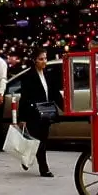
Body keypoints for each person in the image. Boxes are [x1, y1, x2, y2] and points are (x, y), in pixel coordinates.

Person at [17, 47, 60, 177]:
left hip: (46, 113)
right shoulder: (28, 76)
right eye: (41, 59)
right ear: (34, 60)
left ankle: (27, 158)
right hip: (33, 113)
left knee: (42, 141)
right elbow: (24, 98)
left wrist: (65, 107)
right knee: (38, 141)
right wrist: (22, 118)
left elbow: (54, 93)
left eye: (45, 58)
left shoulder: (48, 74)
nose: (44, 61)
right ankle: (44, 168)